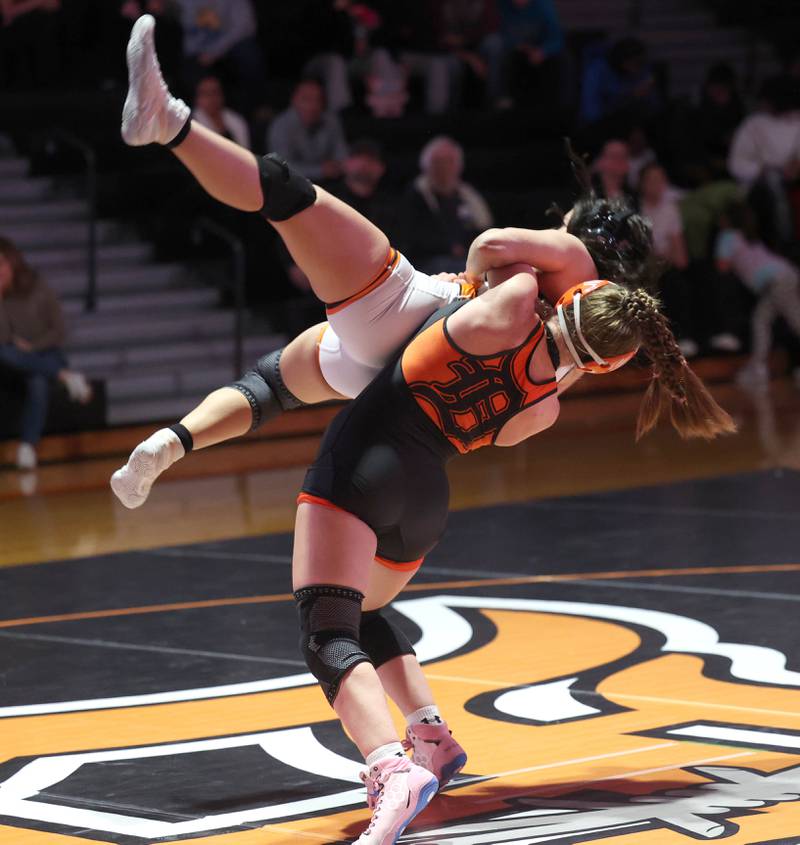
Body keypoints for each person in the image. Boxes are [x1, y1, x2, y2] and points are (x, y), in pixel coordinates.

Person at [115, 17, 729, 841]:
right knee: (339, 553)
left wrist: (468, 290)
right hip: (432, 452)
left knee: (288, 215)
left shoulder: (561, 269)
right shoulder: (563, 387)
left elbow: (490, 243)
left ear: (589, 248)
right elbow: (513, 419)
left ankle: (175, 130)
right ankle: (427, 733)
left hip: (417, 328)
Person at [0, 237, 91, 469]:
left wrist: (33, 348)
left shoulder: (38, 288)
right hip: (13, 364)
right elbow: (3, 339)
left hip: (45, 354)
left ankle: (28, 447)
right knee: (6, 355)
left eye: (1, 264)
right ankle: (65, 375)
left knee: (37, 379)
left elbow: (59, 331)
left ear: (13, 262)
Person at [716, 201, 800, 390]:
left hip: (777, 282)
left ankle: (758, 367)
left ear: (727, 219)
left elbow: (722, 265)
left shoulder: (727, 236)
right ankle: (758, 367)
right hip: (785, 275)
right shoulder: (748, 236)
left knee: (795, 321)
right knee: (760, 321)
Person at [399, 136, 493, 274]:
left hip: (467, 258)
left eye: (449, 161)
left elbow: (483, 227)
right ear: (426, 166)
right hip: (428, 264)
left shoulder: (468, 196)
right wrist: (449, 248)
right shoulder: (414, 195)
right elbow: (411, 238)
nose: (444, 168)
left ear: (459, 166)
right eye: (437, 162)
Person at [728, 75, 800, 250]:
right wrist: (761, 170)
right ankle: (785, 242)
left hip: (794, 178)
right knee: (773, 185)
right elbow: (736, 163)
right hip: (761, 182)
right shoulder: (753, 125)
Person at [267, 78, 349, 183]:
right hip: (292, 186)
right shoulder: (280, 126)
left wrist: (340, 165)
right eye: (306, 99)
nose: (313, 106)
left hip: (330, 183)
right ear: (294, 100)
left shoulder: (331, 121)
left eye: (318, 100)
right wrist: (320, 170)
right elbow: (282, 168)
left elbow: (342, 155)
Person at [193, 74, 251, 149]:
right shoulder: (192, 125)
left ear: (222, 95)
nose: (211, 98)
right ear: (197, 98)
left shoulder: (237, 120)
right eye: (206, 94)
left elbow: (246, 152)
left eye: (215, 92)